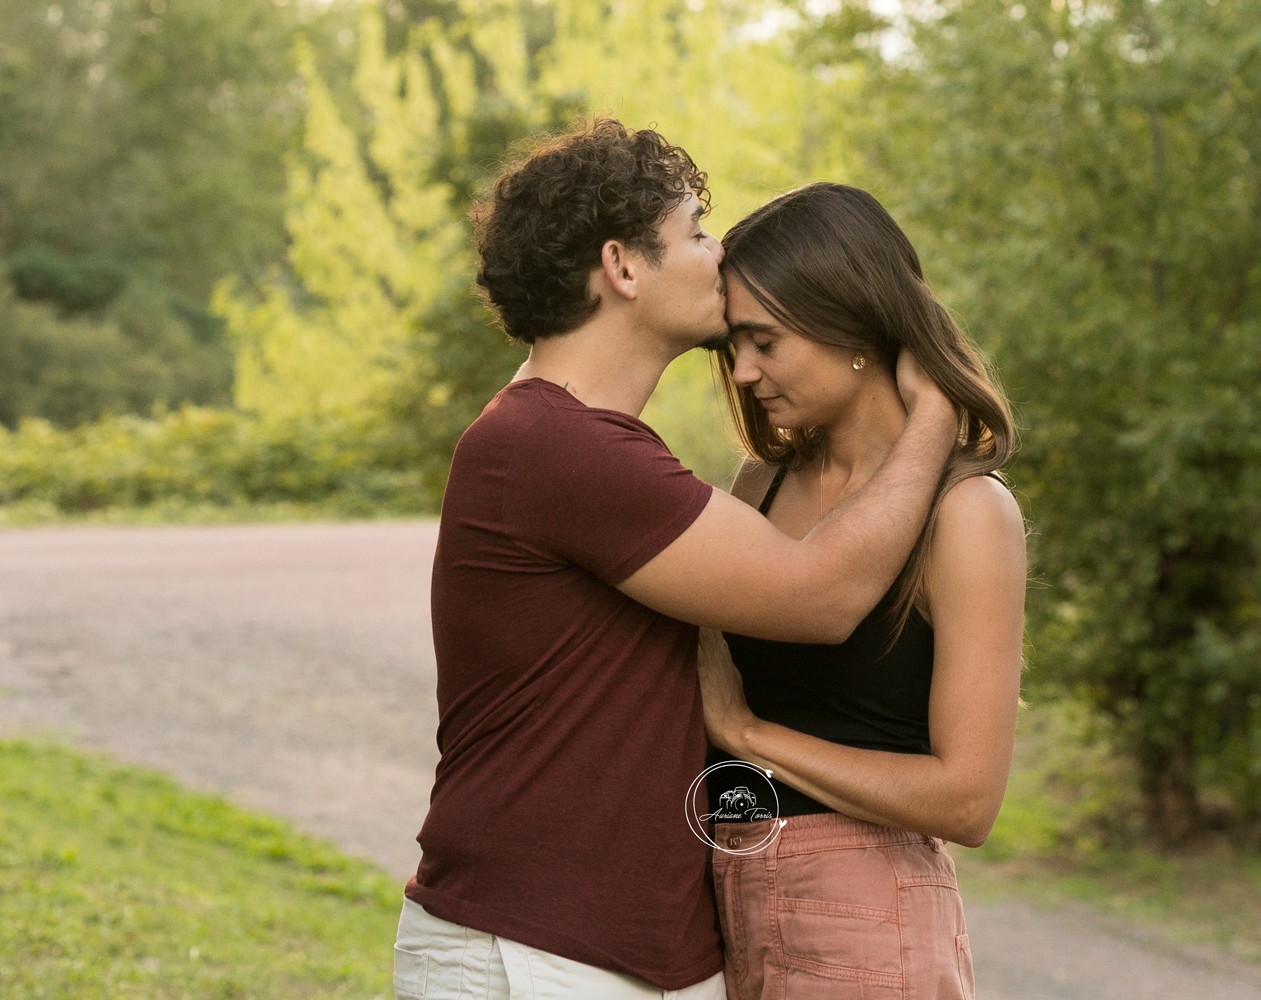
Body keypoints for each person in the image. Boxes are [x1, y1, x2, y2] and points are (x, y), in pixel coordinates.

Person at [393, 122, 961, 1000]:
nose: (719, 251)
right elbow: (821, 595)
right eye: (696, 230)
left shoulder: (583, 443)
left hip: (622, 951)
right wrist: (933, 417)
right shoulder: (556, 445)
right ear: (623, 267)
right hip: (536, 949)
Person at [696, 182, 1027, 1000]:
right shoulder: (763, 481)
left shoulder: (969, 514)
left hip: (867, 925)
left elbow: (968, 798)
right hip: (727, 896)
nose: (743, 372)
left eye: (764, 342)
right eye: (733, 344)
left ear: (853, 326)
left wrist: (748, 732)